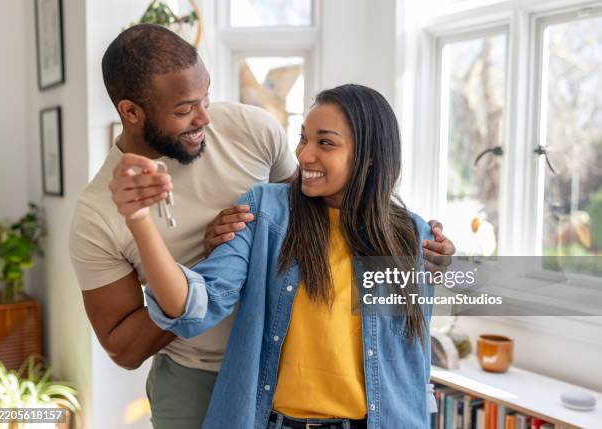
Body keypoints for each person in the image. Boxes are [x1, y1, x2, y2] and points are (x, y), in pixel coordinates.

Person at [70, 24, 455, 429]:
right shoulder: (100, 213)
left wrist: (418, 243)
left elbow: (405, 351)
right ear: (131, 112)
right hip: (208, 376)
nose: (206, 117)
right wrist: (150, 225)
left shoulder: (252, 131)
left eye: (207, 97)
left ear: (371, 156)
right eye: (185, 109)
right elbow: (149, 334)